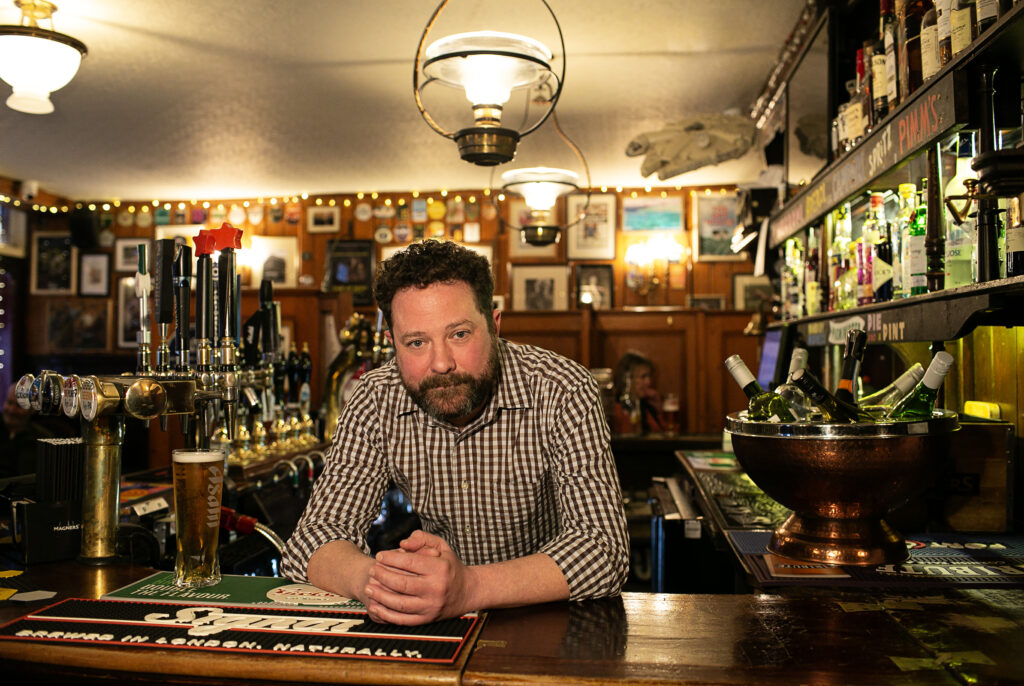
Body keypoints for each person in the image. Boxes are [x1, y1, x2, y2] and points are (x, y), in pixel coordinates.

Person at [283, 240, 629, 626]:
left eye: (459, 335)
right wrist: (382, 583)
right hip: (439, 623)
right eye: (416, 343)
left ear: (494, 326)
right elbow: (312, 539)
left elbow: (604, 550)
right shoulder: (374, 397)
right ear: (392, 345)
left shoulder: (561, 388)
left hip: (551, 618)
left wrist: (469, 588)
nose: (441, 363)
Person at [0, 385, 54, 479]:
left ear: (33, 409)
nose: (12, 410)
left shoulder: (44, 439)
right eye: (9, 403)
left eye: (19, 406)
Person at [612, 351, 664, 435]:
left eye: (649, 376)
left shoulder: (646, 405)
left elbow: (662, 437)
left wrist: (658, 409)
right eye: (643, 377)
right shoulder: (617, 409)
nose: (648, 382)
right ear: (627, 378)